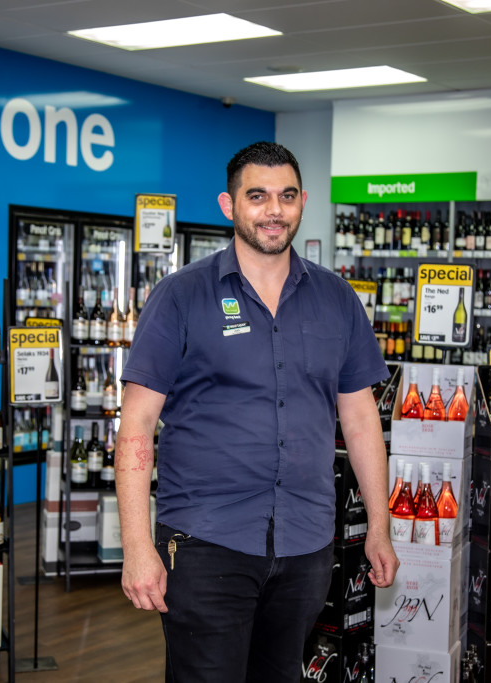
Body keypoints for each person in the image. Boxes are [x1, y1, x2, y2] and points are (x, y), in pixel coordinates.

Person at [115, 140, 398, 683]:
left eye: (287, 196)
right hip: (204, 542)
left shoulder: (337, 299)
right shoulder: (181, 296)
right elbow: (136, 427)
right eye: (258, 196)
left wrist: (378, 528)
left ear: (303, 202)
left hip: (306, 542)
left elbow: (362, 421)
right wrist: (136, 545)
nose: (274, 210)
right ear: (229, 205)